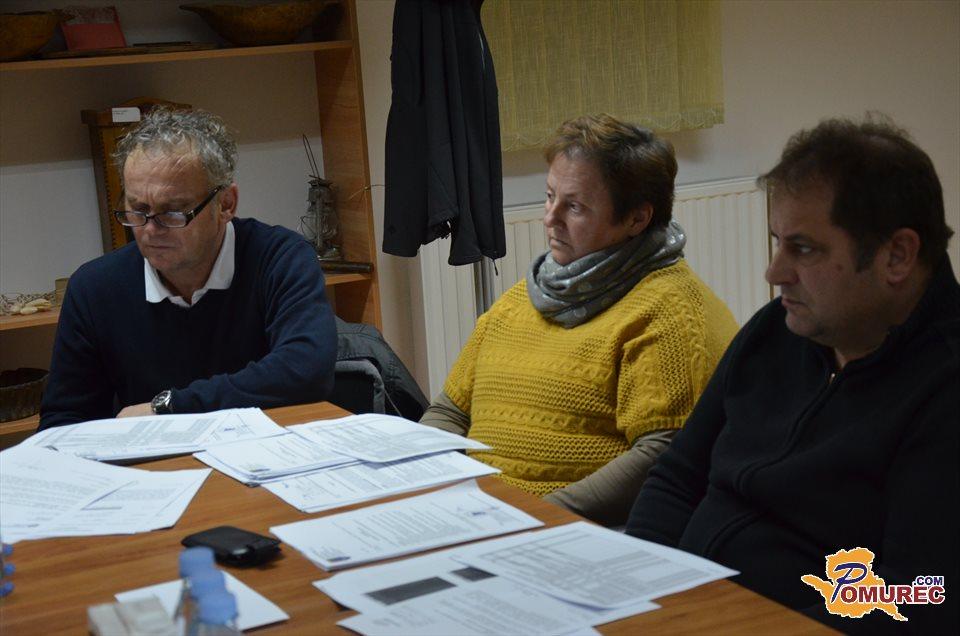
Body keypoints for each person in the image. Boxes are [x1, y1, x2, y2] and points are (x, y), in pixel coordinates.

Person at [626, 116, 958, 634]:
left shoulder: (944, 388)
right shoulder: (776, 331)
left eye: (803, 249)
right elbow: (677, 478)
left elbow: (915, 599)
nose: (774, 272)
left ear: (897, 255)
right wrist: (631, 591)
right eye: (778, 241)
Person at [420, 114, 738, 526]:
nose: (550, 218)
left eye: (574, 206)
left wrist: (533, 517)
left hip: (573, 532)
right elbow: (450, 411)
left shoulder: (670, 313)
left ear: (636, 219)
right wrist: (428, 482)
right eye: (550, 196)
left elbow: (663, 454)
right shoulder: (521, 300)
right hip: (479, 516)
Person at [39, 107, 336, 429]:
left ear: (226, 204)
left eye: (173, 211)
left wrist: (171, 406)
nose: (150, 230)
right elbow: (63, 422)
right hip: (154, 457)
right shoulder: (94, 288)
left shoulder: (280, 259)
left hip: (264, 449)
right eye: (138, 209)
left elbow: (306, 371)